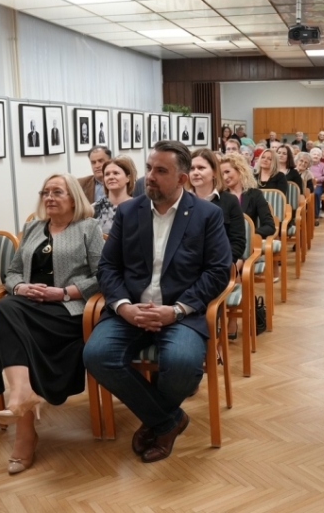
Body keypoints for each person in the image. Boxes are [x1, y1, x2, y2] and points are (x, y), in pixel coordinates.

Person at [83, 141, 232, 464]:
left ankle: (156, 421)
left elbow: (218, 272)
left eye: (160, 171)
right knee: (96, 355)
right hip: (130, 311)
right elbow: (108, 267)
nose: (149, 176)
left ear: (182, 179)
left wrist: (176, 310)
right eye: (149, 168)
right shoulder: (129, 212)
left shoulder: (207, 215)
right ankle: (167, 421)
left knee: (182, 363)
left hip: (180, 313)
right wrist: (123, 306)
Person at [0, 173, 103, 474]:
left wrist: (63, 292)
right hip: (28, 307)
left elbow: (102, 275)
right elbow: (11, 272)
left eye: (57, 192)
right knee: (6, 308)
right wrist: (21, 287)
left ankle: (24, 429)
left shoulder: (88, 227)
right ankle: (22, 399)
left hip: (67, 311)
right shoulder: (33, 228)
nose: (49, 197)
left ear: (73, 198)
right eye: (45, 192)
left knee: (8, 316)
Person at [189, 148, 245, 275]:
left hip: (217, 268)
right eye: (191, 169)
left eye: (201, 168)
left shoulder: (230, 201)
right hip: (187, 268)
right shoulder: (182, 201)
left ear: (214, 172)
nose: (195, 172)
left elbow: (238, 242)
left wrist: (220, 264)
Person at [222, 153, 277, 239]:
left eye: (227, 172)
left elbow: (269, 226)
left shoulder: (255, 195)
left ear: (240, 170)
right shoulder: (219, 196)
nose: (225, 177)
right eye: (221, 174)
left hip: (249, 242)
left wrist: (250, 233)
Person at [93, 156, 137, 234]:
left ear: (128, 178)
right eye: (107, 174)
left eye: (116, 173)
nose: (111, 177)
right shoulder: (94, 209)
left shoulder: (138, 207)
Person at [308, 147, 324, 224]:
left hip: (318, 185)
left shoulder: (322, 165)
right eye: (314, 154)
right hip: (306, 184)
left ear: (320, 157)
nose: (316, 156)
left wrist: (318, 179)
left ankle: (315, 216)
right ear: (310, 155)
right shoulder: (307, 164)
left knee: (316, 194)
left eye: (318, 155)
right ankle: (305, 214)